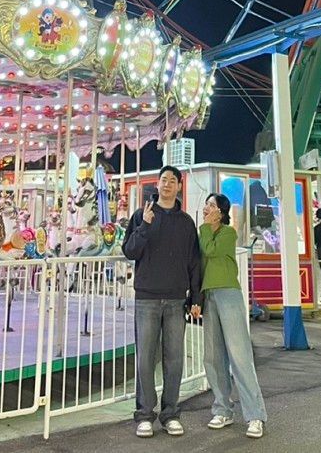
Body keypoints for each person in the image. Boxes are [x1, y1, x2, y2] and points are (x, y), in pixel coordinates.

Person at [122, 165, 201, 438]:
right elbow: (130, 251)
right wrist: (144, 225)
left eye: (172, 180)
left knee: (175, 359)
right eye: (163, 180)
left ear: (179, 186)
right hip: (147, 297)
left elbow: (194, 262)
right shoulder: (141, 216)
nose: (167, 184)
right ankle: (145, 414)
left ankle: (170, 413)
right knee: (145, 358)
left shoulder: (186, 222)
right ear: (157, 185)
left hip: (177, 298)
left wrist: (195, 296)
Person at [194, 194, 267, 439]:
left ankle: (255, 414)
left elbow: (210, 251)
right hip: (209, 295)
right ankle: (222, 408)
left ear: (221, 213)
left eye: (212, 206)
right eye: (206, 204)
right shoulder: (203, 232)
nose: (207, 208)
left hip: (228, 294)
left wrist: (205, 227)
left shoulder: (227, 233)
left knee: (239, 354)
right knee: (213, 356)